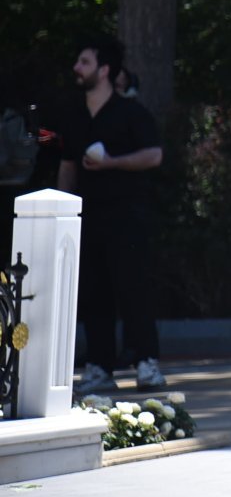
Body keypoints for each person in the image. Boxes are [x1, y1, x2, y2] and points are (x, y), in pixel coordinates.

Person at [56, 35, 165, 394]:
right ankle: (99, 367)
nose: (77, 68)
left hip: (127, 216)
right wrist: (63, 211)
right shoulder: (74, 116)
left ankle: (146, 363)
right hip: (89, 217)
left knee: (133, 289)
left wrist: (114, 162)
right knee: (93, 292)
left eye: (84, 62)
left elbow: (154, 155)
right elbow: (68, 165)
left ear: (104, 70)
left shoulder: (131, 113)